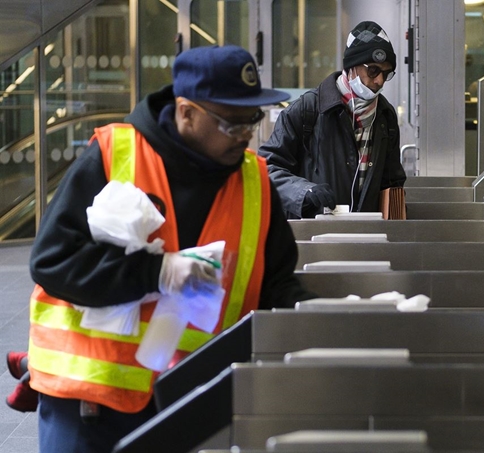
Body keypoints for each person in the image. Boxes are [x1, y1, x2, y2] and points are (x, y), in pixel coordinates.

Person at [24, 44, 315, 453]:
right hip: (88, 408)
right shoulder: (113, 155)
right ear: (186, 112)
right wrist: (156, 272)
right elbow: (53, 261)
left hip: (189, 406)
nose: (246, 134)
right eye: (232, 123)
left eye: (252, 119)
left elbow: (275, 286)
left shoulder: (256, 183)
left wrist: (327, 314)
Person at [258, 21, 407, 218]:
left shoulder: (384, 116)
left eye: (386, 74)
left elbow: (391, 182)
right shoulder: (307, 110)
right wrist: (304, 192)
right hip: (314, 234)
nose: (379, 81)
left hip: (367, 236)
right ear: (352, 66)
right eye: (373, 70)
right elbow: (267, 169)